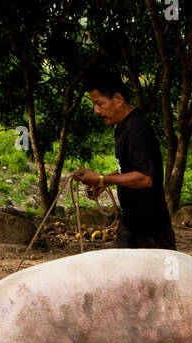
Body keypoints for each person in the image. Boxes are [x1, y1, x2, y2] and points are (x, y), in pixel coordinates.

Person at [70, 66, 176, 250]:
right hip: (131, 225)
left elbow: (145, 178)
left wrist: (101, 179)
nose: (96, 110)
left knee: (162, 278)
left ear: (118, 99)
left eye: (100, 103)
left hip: (152, 229)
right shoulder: (122, 127)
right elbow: (127, 169)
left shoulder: (137, 128)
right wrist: (101, 183)